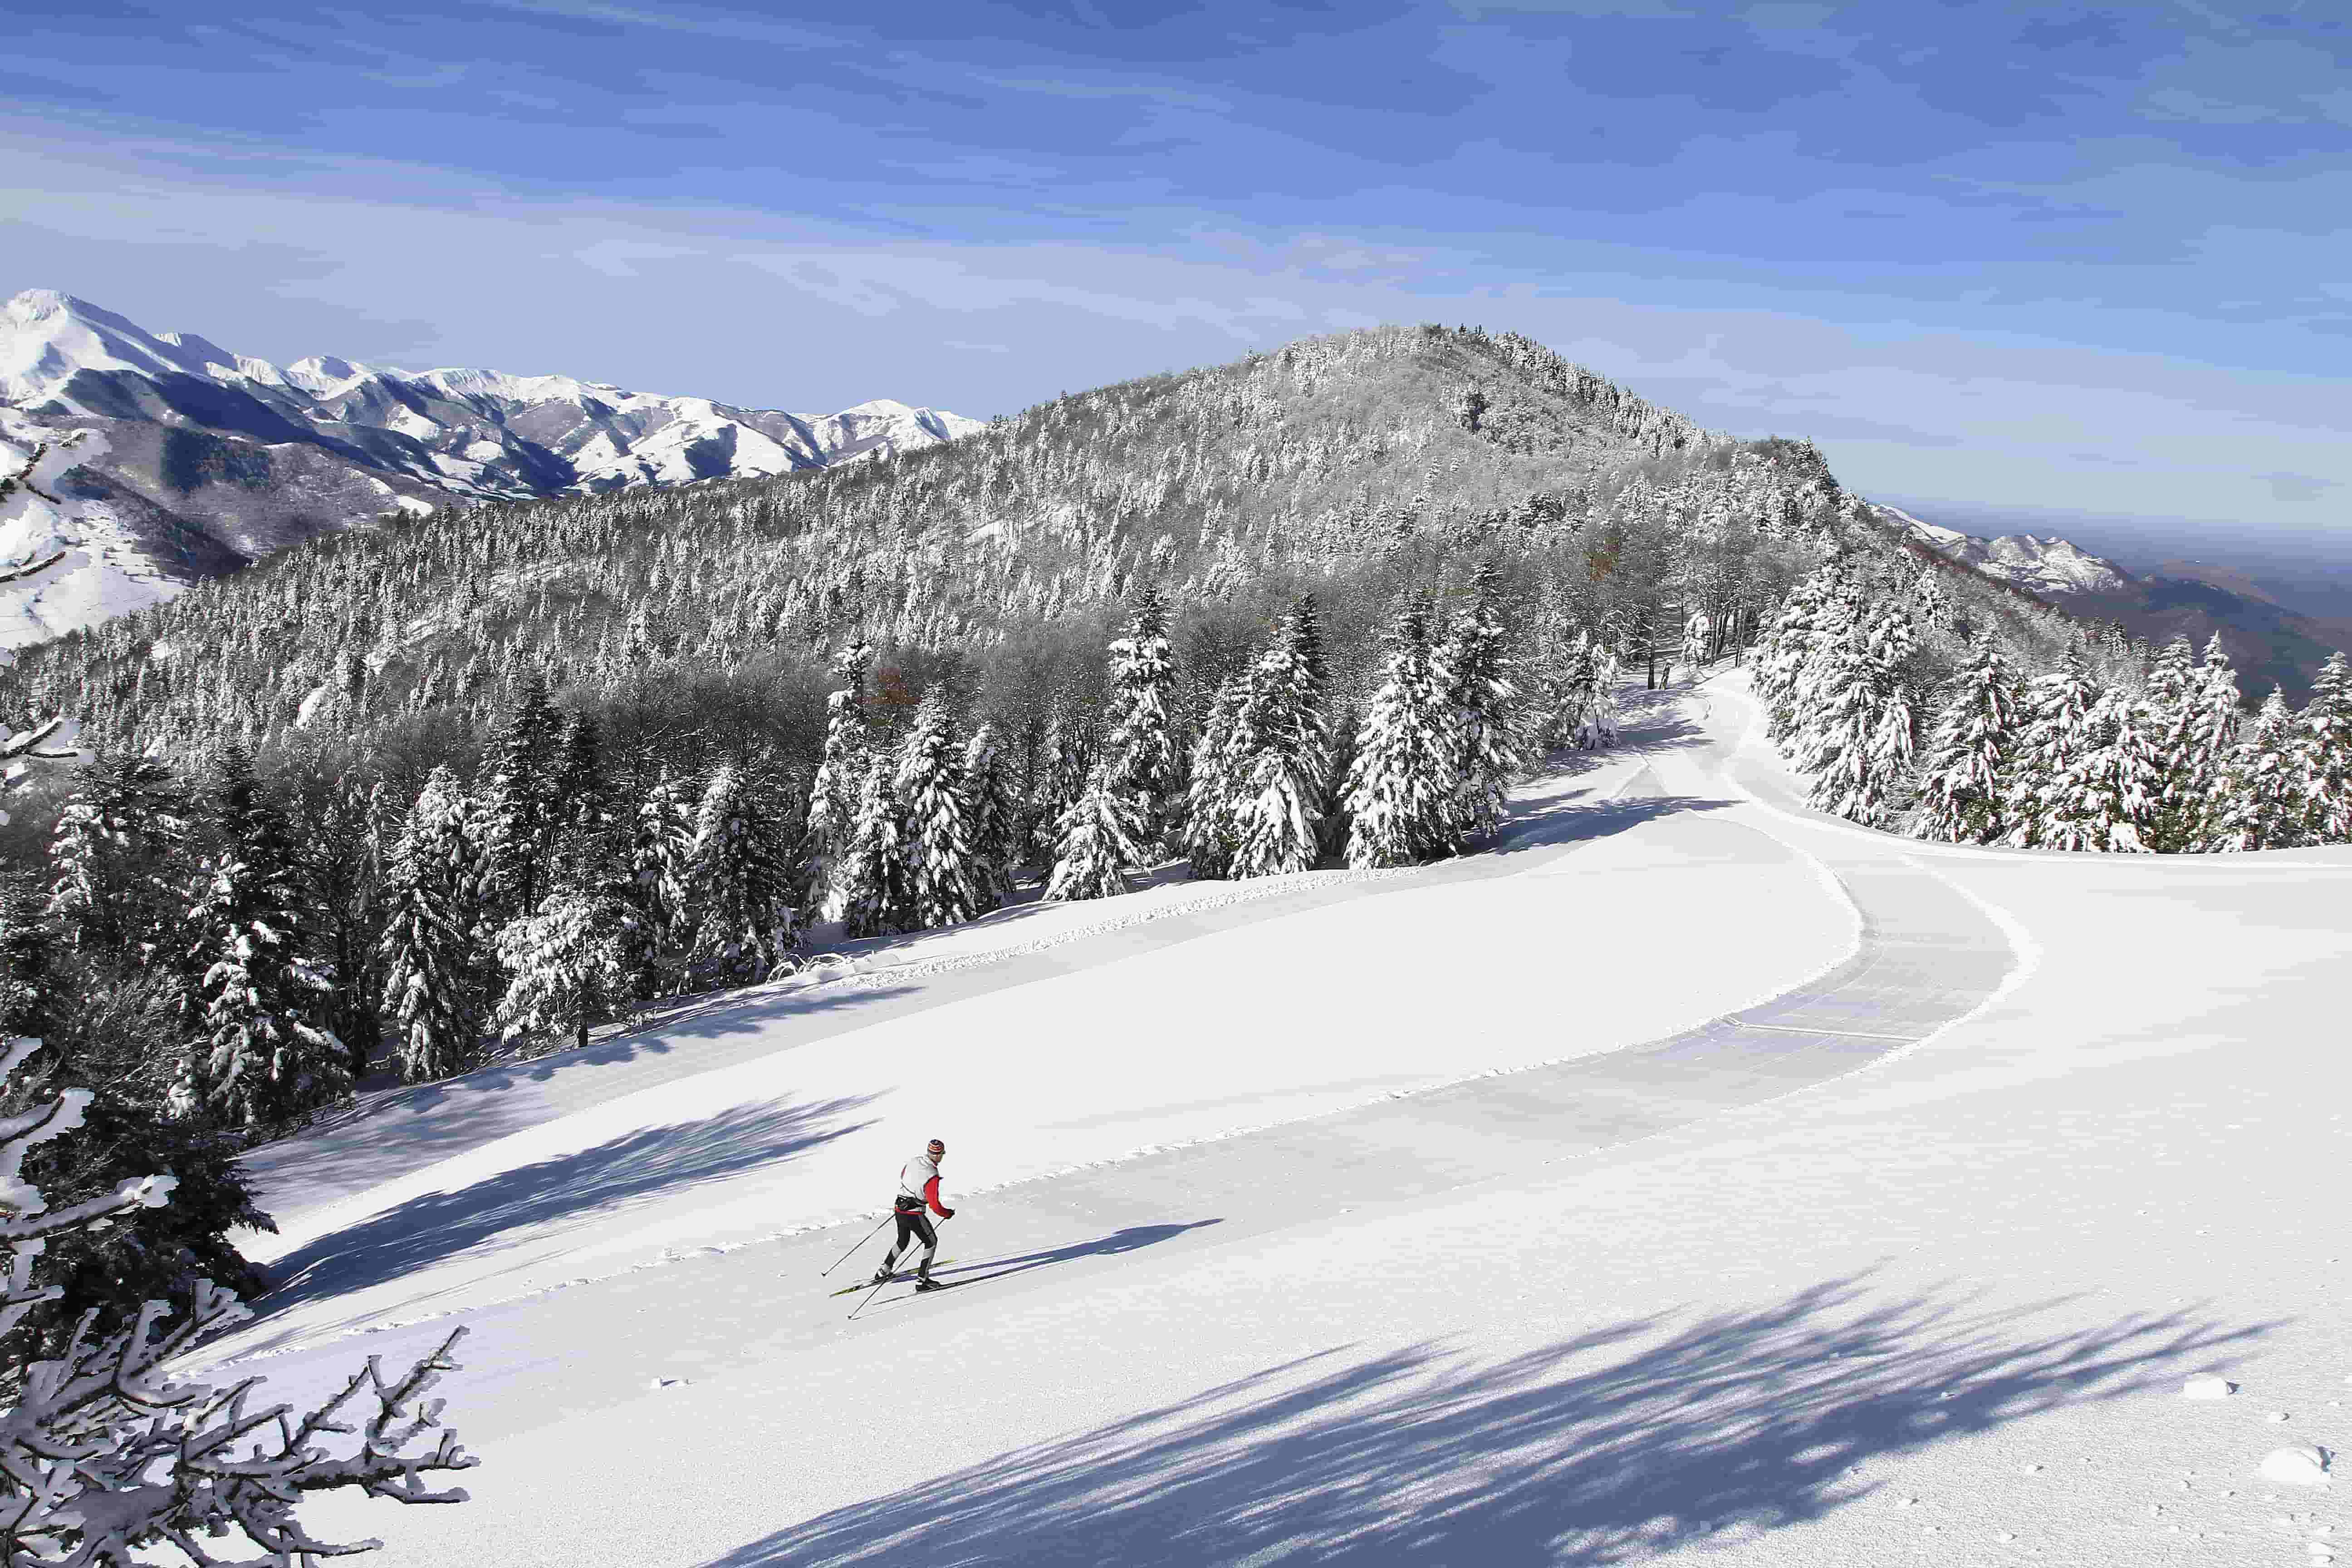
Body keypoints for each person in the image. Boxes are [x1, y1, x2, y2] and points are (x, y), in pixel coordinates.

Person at [874, 1137, 955, 1291]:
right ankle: (922, 1281)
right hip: (914, 1214)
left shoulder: (914, 1161)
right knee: (931, 1242)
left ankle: (883, 1271)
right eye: (942, 1154)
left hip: (899, 1209)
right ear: (939, 1155)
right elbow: (935, 1205)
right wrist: (947, 1214)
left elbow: (903, 1175)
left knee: (902, 1241)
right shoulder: (932, 1175)